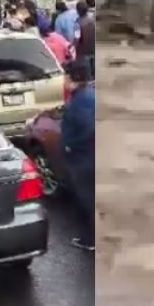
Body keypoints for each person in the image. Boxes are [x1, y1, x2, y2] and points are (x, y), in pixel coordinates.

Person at [61, 60, 95, 252]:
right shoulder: (87, 96)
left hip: (84, 160)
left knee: (86, 199)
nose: (63, 80)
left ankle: (90, 239)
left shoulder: (80, 102)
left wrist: (71, 147)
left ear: (73, 78)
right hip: (87, 158)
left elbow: (89, 128)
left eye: (65, 76)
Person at [74, 1, 95, 80]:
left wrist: (73, 47)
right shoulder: (93, 20)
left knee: (87, 77)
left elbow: (77, 38)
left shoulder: (77, 23)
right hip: (93, 50)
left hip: (83, 53)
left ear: (77, 11)